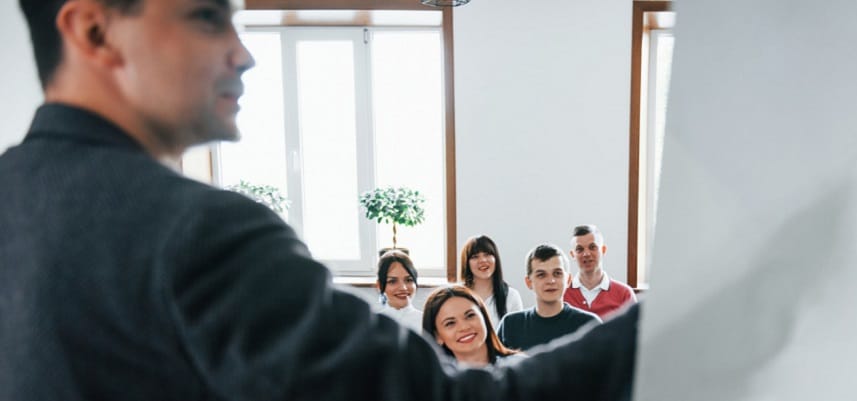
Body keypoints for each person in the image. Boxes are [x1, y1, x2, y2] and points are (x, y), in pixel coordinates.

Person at [0, 0, 639, 399]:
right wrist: (665, 317)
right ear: (93, 29)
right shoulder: (198, 231)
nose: (243, 53)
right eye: (206, 16)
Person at [497, 244, 601, 351]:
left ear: (568, 280)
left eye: (557, 273)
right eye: (541, 275)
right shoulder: (510, 326)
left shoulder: (589, 325)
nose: (551, 281)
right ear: (529, 282)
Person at [422, 285, 524, 368]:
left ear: (484, 316)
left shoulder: (520, 367)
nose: (464, 327)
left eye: (470, 316)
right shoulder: (435, 384)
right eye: (450, 323)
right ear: (437, 336)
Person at [564, 225, 638, 319]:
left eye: (592, 247)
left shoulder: (624, 294)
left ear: (603, 250)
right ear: (573, 255)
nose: (586, 254)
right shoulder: (562, 293)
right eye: (580, 249)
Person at [459, 235, 523, 322]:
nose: (483, 260)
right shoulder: (457, 296)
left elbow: (517, 333)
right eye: (475, 256)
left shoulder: (511, 296)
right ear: (466, 263)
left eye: (487, 254)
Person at [376, 250, 423, 333]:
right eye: (392, 281)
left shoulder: (427, 323)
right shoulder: (372, 323)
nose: (403, 288)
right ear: (379, 285)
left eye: (409, 280)